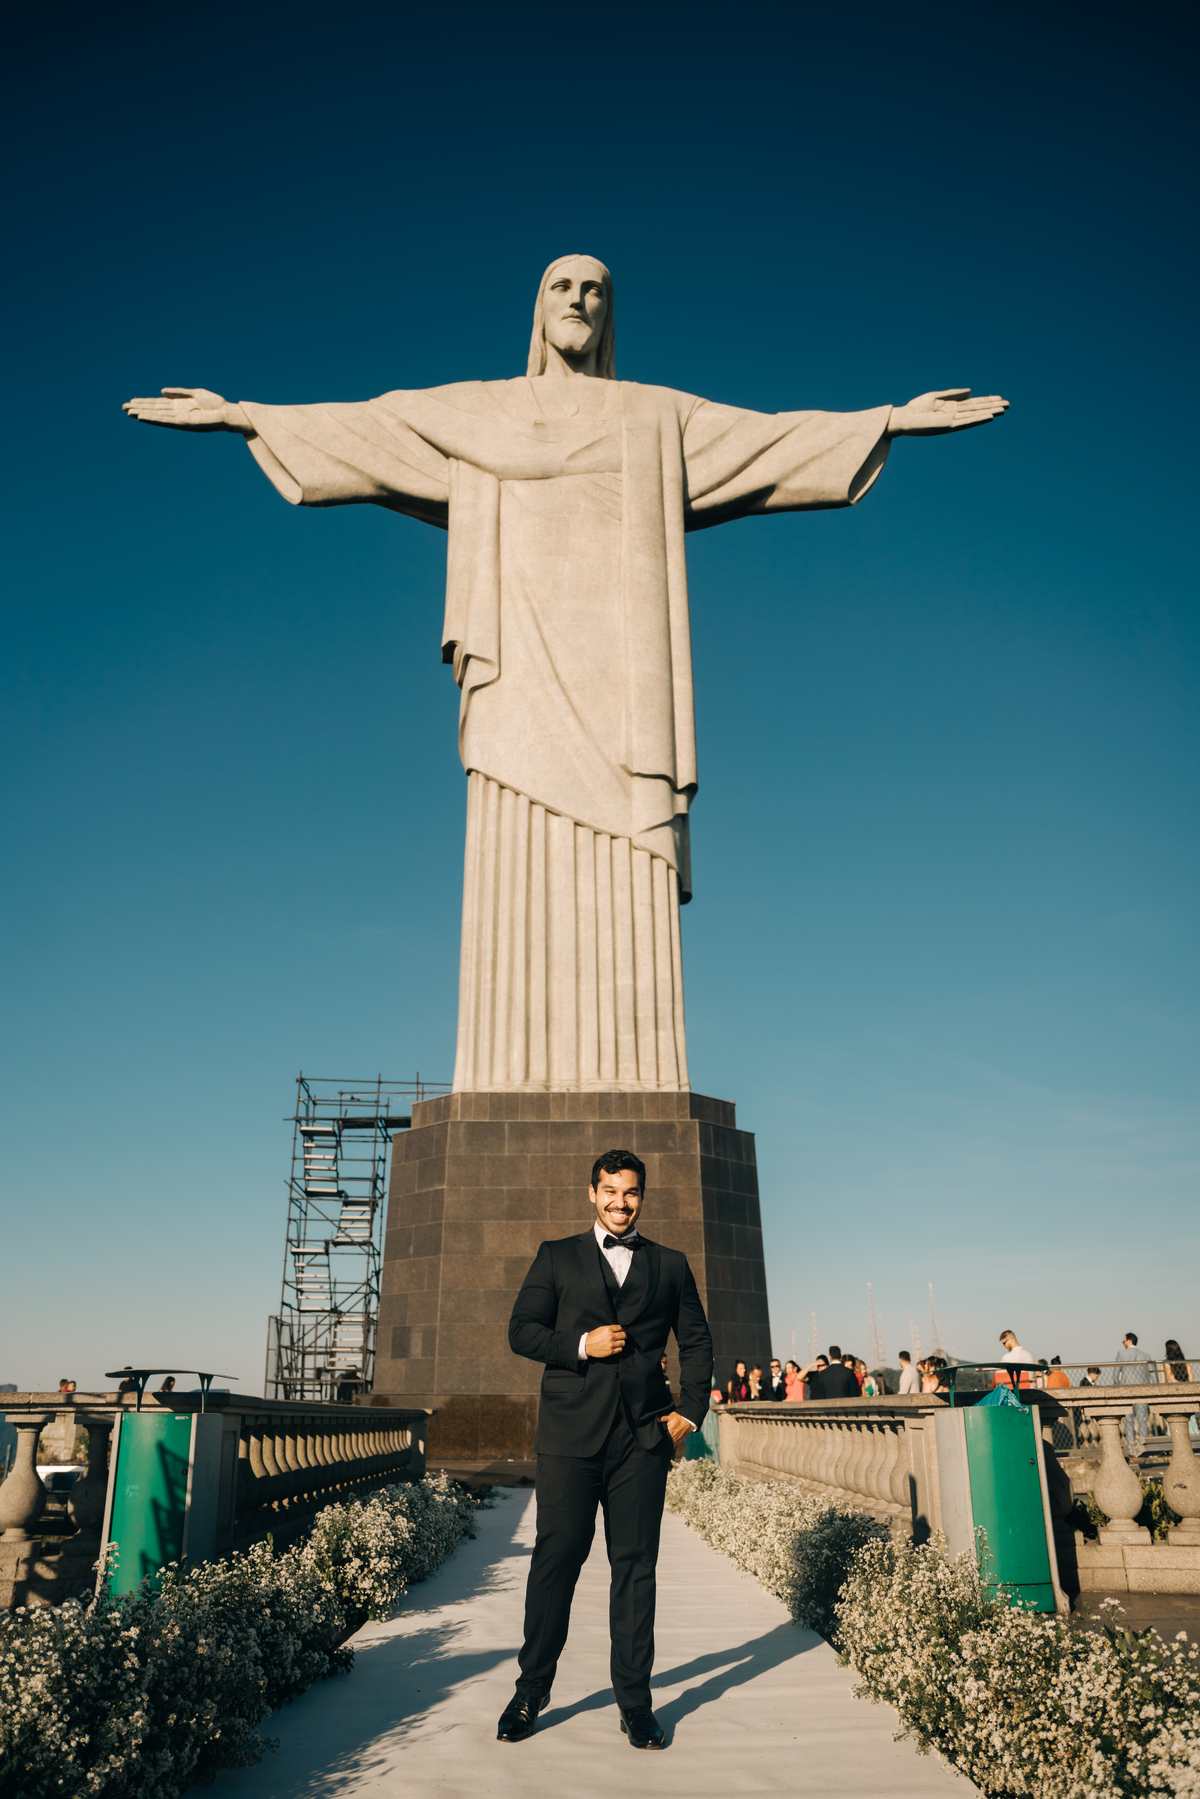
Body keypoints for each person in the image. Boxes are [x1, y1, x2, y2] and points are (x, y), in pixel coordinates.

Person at [124, 261, 1008, 1098]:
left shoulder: (654, 415)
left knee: (628, 845)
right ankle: (502, 1069)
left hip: (624, 676)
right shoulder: (479, 410)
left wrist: (887, 421)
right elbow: (371, 425)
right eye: (562, 286)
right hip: (516, 665)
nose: (579, 298)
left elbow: (769, 439)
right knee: (513, 842)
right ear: (539, 308)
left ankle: (639, 1068)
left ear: (609, 313)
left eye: (594, 288)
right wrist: (243, 415)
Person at [502, 1149, 712, 1750]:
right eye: (611, 1192)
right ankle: (530, 1692)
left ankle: (636, 1704)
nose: (622, 1203)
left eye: (632, 1193)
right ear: (592, 1193)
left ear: (642, 1196)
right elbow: (521, 1331)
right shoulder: (556, 1255)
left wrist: (689, 1413)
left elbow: (697, 1341)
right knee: (556, 1561)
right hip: (569, 1438)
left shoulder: (670, 1264)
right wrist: (580, 1344)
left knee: (635, 1568)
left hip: (643, 1438)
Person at [1113, 1332, 1150, 1455]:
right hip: (1142, 1392)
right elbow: (1151, 1375)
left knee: (1129, 1422)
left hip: (1127, 1392)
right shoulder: (1145, 1355)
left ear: (1128, 1341)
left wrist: (1117, 1386)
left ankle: (1132, 1452)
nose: (1123, 1344)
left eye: (1123, 1341)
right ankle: (1142, 1450)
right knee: (1142, 1422)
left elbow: (1115, 1373)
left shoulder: (1121, 1354)